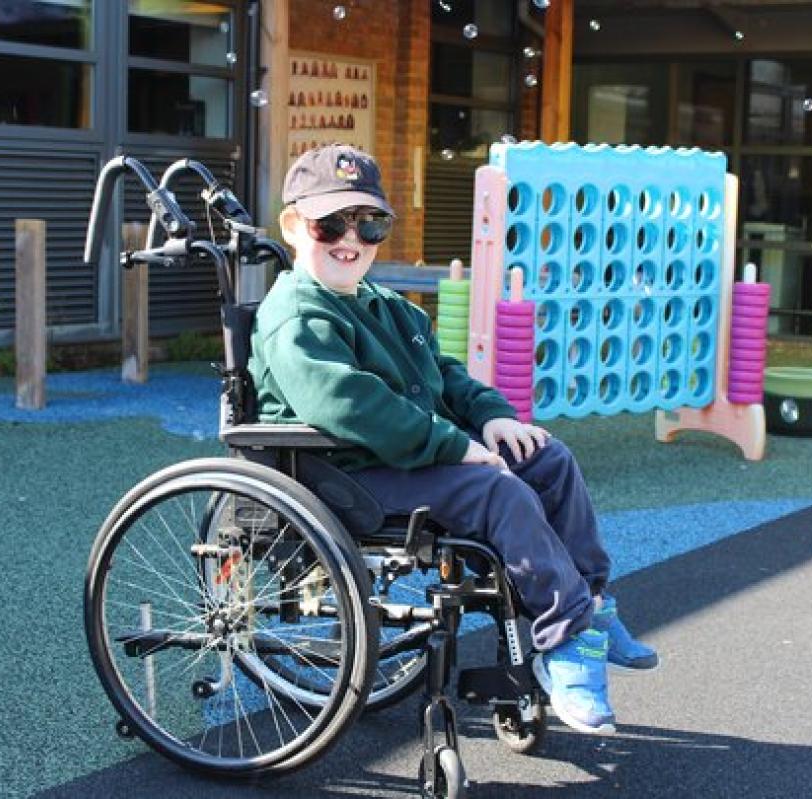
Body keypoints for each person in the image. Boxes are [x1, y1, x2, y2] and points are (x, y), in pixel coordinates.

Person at [248, 144, 657, 736]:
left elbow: (445, 376)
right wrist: (452, 444)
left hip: (400, 457)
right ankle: (565, 639)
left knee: (546, 460)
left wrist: (492, 417)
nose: (351, 239)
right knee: (496, 491)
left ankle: (588, 606)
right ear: (292, 226)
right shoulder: (297, 312)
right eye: (329, 223)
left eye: (368, 224)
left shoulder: (383, 305)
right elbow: (346, 403)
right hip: (344, 472)